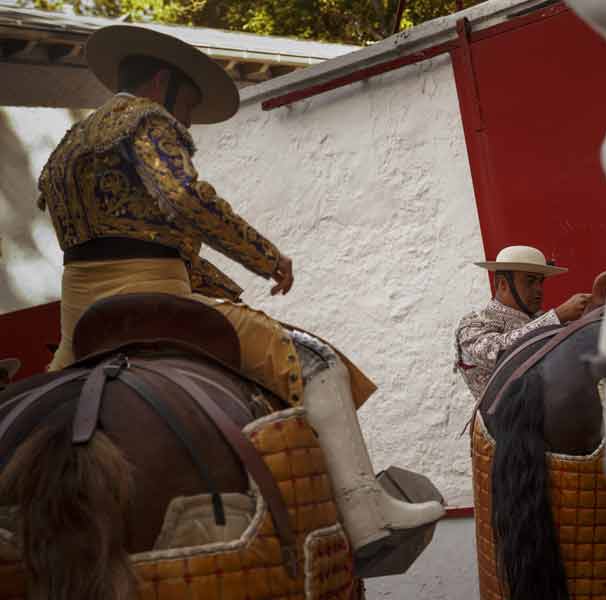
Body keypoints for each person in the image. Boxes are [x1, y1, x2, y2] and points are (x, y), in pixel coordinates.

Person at [36, 24, 442, 556]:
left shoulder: (65, 149)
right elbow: (185, 199)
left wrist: (226, 285)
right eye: (185, 109)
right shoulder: (145, 119)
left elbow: (134, 237)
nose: (183, 123)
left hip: (78, 323)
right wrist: (267, 257)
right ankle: (367, 516)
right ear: (162, 84)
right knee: (318, 363)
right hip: (155, 302)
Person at [455, 245, 591, 401]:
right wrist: (556, 317)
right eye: (530, 281)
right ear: (503, 284)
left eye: (541, 282)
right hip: (500, 424)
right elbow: (498, 352)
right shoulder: (473, 324)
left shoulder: (540, 319)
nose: (539, 289)